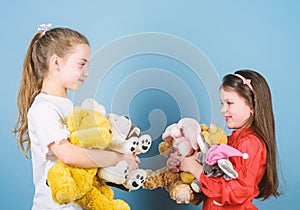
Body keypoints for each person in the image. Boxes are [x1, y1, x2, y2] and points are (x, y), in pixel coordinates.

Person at [13, 23, 139, 210]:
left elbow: (84, 154)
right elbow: (68, 154)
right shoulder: (44, 108)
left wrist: (121, 151)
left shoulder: (67, 107)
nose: (86, 73)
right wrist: (118, 157)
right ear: (56, 63)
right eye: (81, 64)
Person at [171, 70, 280, 209]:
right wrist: (186, 164)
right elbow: (214, 177)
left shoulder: (250, 144)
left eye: (229, 103)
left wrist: (195, 169)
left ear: (252, 106)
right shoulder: (229, 142)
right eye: (222, 103)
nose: (223, 109)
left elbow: (239, 192)